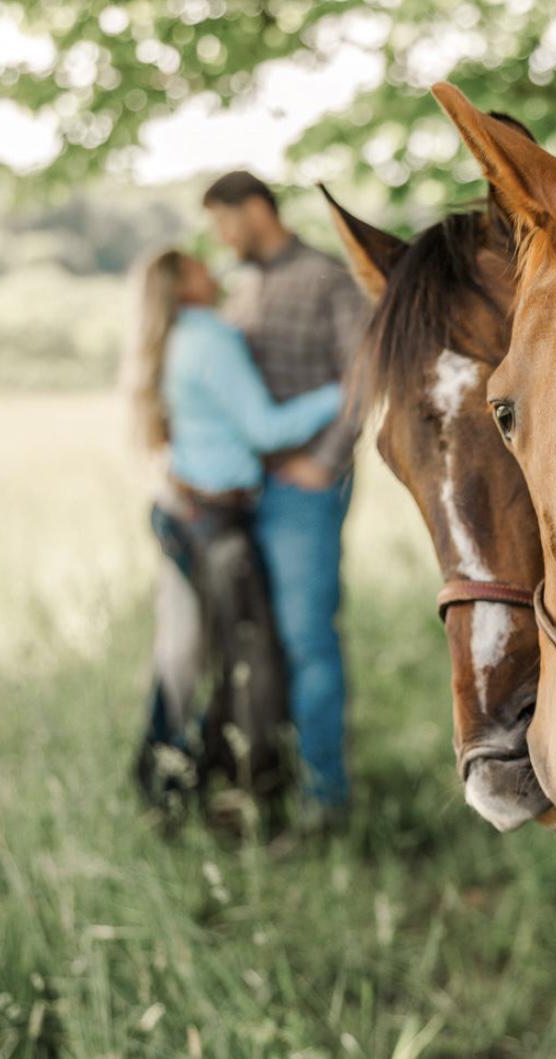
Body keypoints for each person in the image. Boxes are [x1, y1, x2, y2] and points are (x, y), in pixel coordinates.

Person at [124, 248, 344, 824]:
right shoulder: (209, 338)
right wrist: (344, 392)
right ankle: (227, 782)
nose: (212, 270)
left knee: (186, 651)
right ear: (181, 287)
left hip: (184, 512)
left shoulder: (174, 338)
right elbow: (264, 428)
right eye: (199, 267)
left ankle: (168, 779)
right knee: (237, 654)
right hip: (215, 522)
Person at [202, 171, 365, 818]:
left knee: (307, 640)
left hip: (303, 496)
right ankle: (263, 774)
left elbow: (366, 370)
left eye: (223, 220)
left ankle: (325, 796)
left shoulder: (327, 277)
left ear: (254, 210)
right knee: (254, 643)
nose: (220, 236)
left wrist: (325, 464)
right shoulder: (238, 288)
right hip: (239, 494)